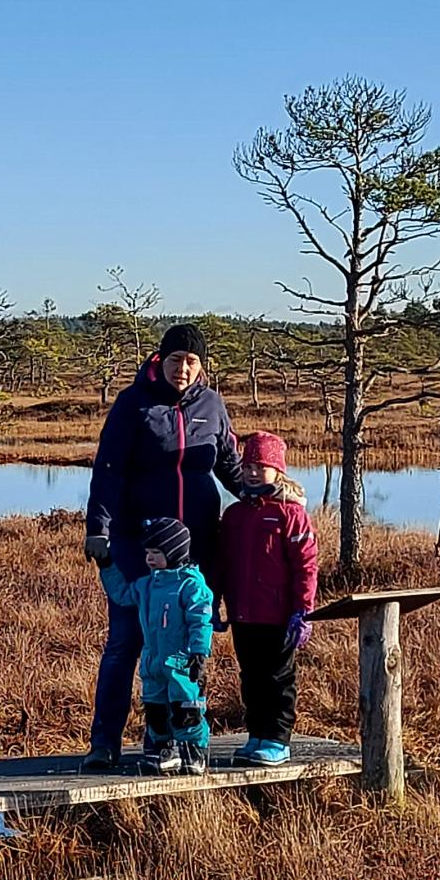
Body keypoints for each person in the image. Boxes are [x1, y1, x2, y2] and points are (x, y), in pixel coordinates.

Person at [81, 321, 246, 772]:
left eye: (192, 361)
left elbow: (229, 463)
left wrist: (265, 491)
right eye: (176, 360)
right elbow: (109, 470)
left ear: (202, 366)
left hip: (196, 552)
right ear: (160, 360)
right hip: (141, 548)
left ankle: (181, 743)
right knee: (128, 641)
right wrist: (99, 528)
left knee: (189, 648)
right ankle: (104, 744)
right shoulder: (133, 405)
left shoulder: (212, 406)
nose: (183, 369)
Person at [218, 431, 319, 766]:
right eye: (248, 466)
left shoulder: (291, 514)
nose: (252, 472)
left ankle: (277, 738)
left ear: (278, 471)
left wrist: (303, 610)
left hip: (278, 614)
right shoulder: (233, 515)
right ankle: (257, 734)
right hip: (243, 612)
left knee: (278, 676)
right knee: (251, 675)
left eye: (261, 466)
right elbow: (223, 562)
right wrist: (216, 601)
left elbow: (306, 564)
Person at [97, 516, 214, 775]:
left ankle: (194, 751)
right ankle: (165, 750)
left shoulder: (191, 585)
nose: (149, 558)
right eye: (148, 552)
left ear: (173, 552)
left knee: (187, 709)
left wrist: (199, 653)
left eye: (156, 553)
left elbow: (201, 620)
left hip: (182, 662)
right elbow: (121, 594)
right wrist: (107, 565)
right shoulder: (146, 585)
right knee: (156, 711)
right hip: (153, 663)